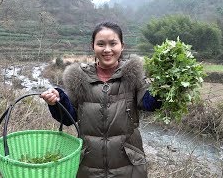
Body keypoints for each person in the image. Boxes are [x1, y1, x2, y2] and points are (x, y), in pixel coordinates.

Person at [40, 21, 161, 178]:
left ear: (122, 46)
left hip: (128, 165)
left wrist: (165, 87)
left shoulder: (133, 76)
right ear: (93, 46)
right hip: (88, 166)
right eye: (101, 44)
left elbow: (149, 103)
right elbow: (69, 117)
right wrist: (57, 101)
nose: (107, 49)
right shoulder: (79, 78)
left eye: (113, 43)